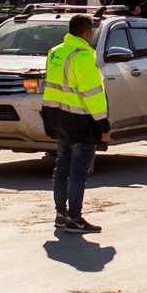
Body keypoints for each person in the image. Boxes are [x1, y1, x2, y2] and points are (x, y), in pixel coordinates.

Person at [41, 14, 110, 234]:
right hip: (80, 121)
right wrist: (104, 126)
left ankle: (61, 215)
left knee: (61, 168)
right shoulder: (84, 56)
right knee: (78, 172)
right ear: (87, 33)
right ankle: (75, 218)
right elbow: (93, 95)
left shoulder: (55, 52)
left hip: (58, 118)